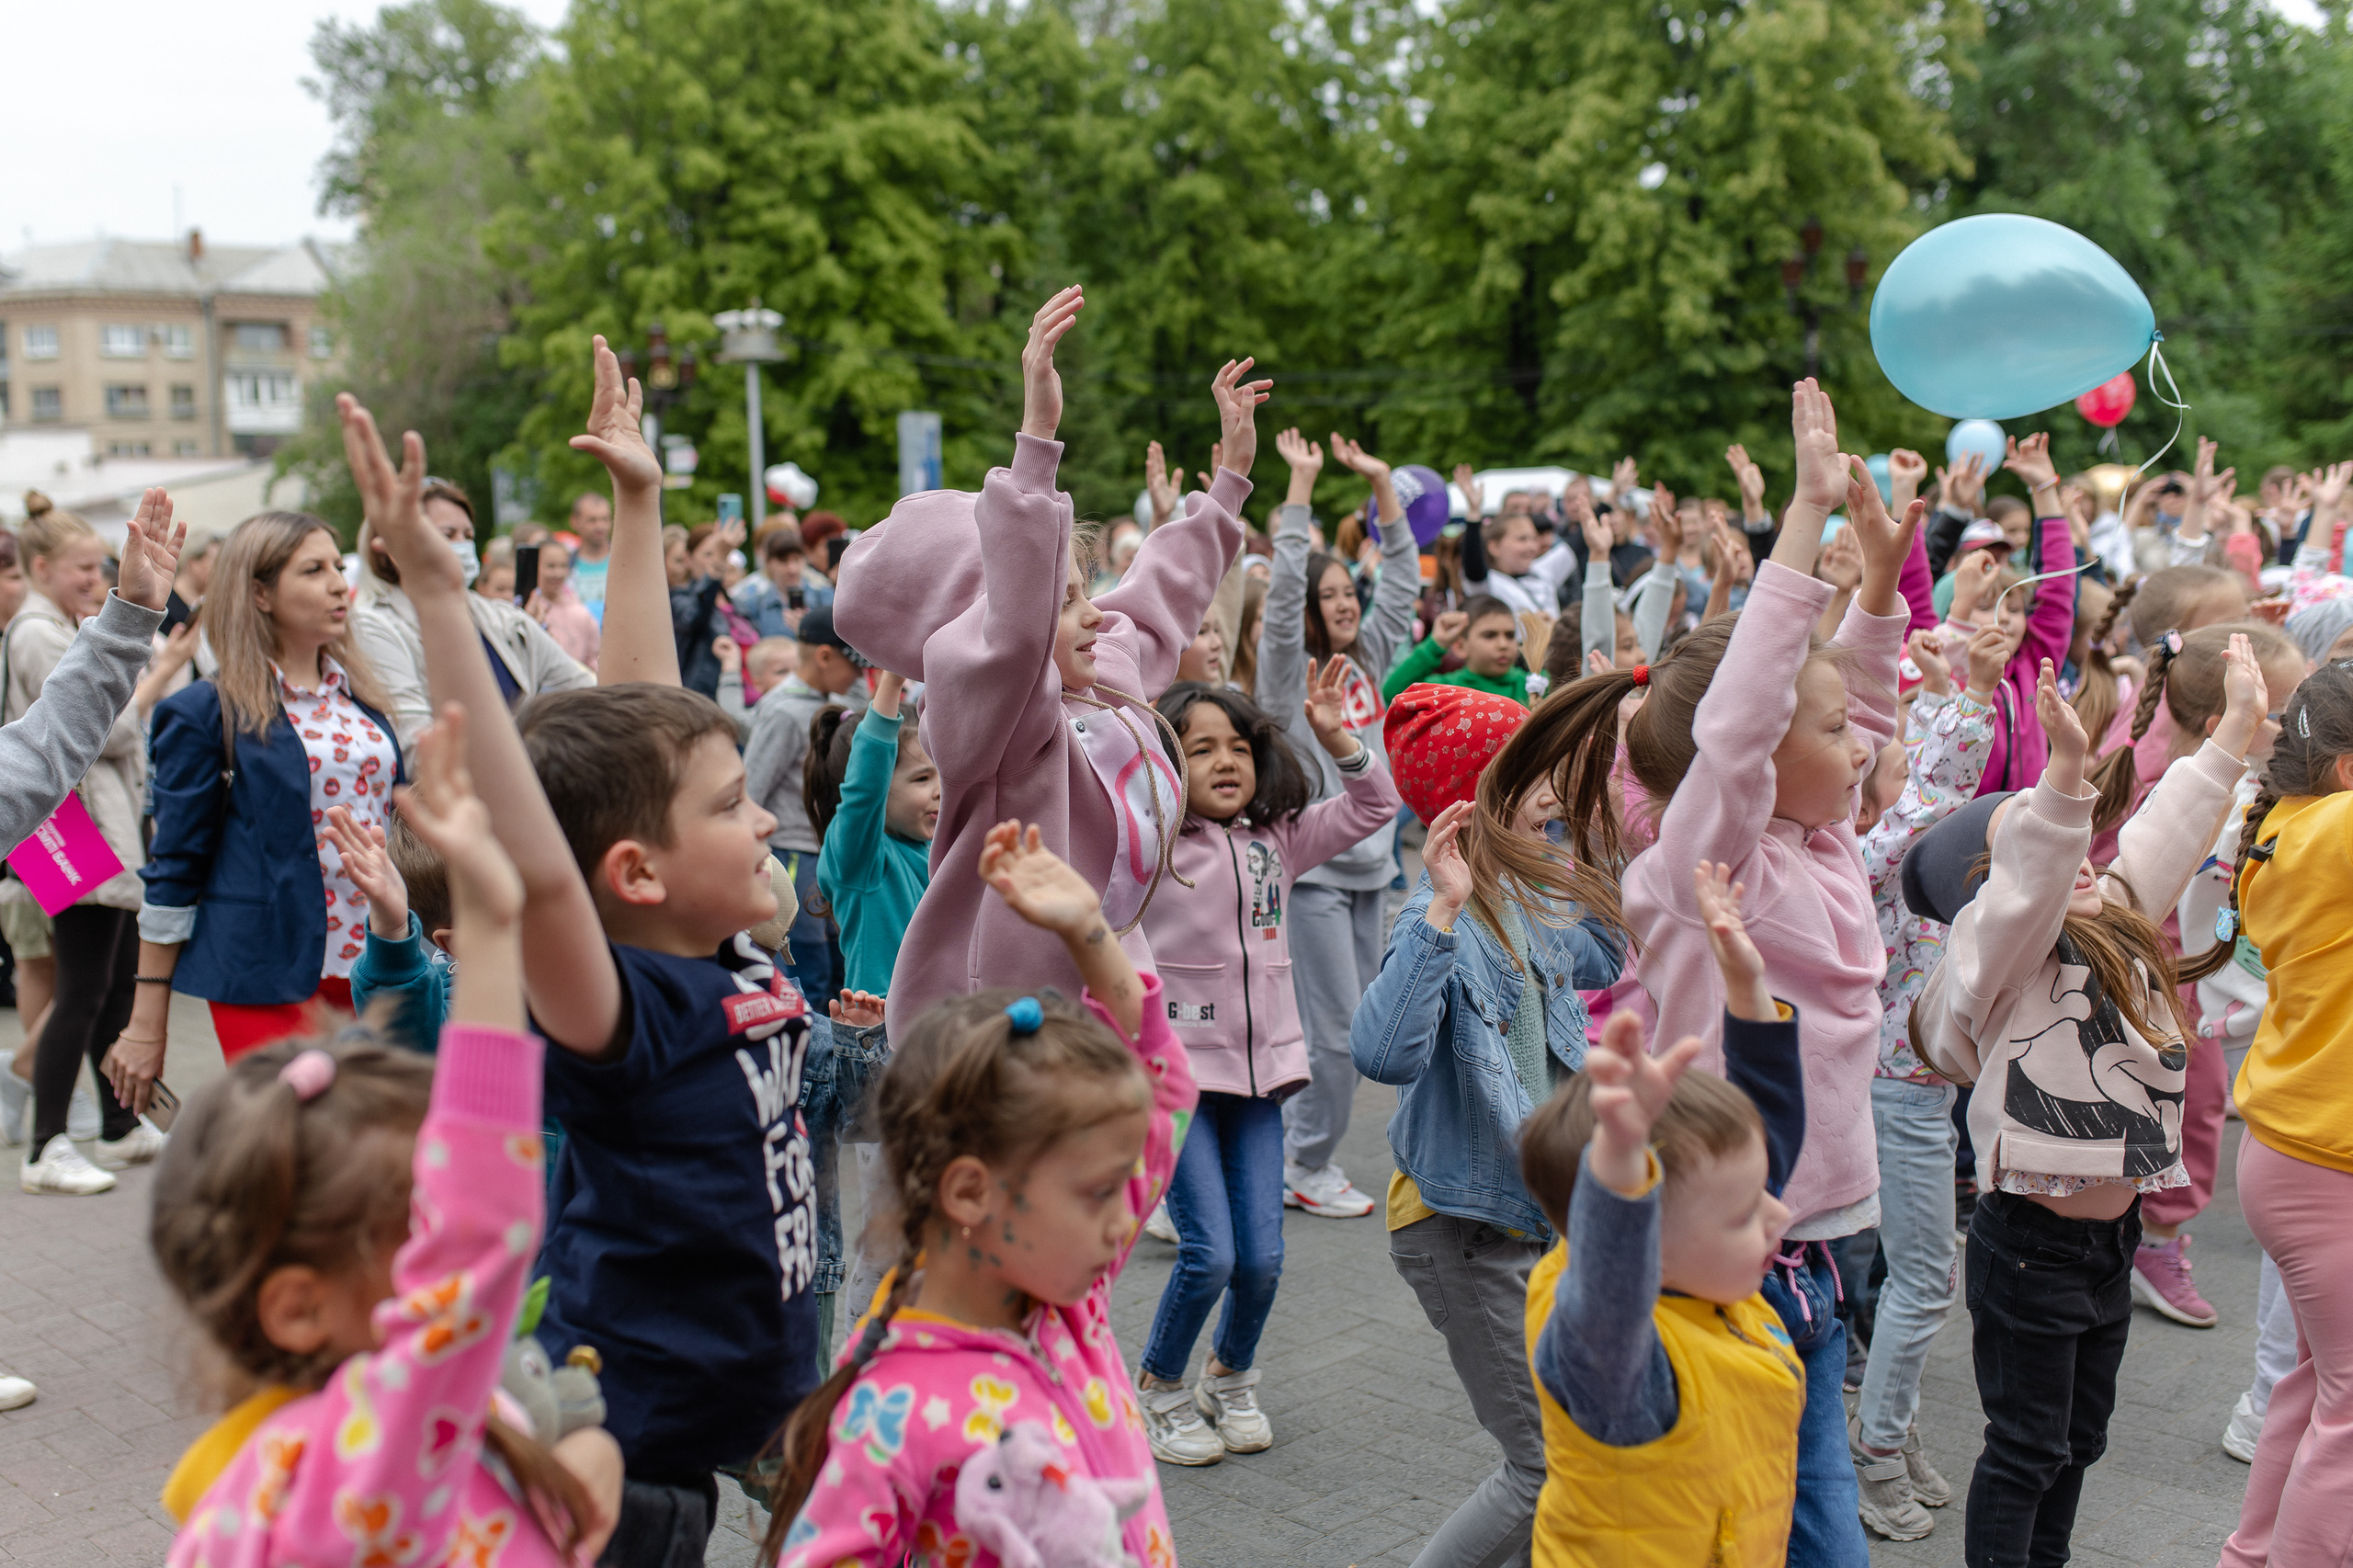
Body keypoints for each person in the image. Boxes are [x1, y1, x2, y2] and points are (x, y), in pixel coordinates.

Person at [336, 349, 847, 1567]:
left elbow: (647, 721)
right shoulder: (624, 1007)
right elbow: (546, 857)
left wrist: (638, 503)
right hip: (630, 1464)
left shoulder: (715, 943)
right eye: (732, 806)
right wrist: (440, 600)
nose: (763, 818)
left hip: (741, 1413)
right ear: (637, 875)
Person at [151, 709, 623, 1568]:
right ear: (299, 1308)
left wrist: (571, 1456)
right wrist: (488, 927)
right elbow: (483, 1221)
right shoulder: (365, 1465)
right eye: (417, 1221)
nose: (445, 1228)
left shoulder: (363, 1442)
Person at [1909, 649, 2263, 1568]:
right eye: (2041, 845)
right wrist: (2061, 775)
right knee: (2026, 1449)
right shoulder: (1999, 962)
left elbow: (2165, 832)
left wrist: (2232, 728)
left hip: (2110, 1242)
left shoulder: (2111, 922)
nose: (2075, 858)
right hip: (2031, 1249)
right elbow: (2022, 895)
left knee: (2079, 1443)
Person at [762, 822, 1189, 1568]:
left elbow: (1165, 1089)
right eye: (1097, 1193)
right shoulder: (890, 1413)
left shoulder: (1064, 1302)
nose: (1125, 1219)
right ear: (970, 1193)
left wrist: (1090, 936)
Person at [833, 287, 1261, 1023]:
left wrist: (1226, 491)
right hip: (1002, 1021)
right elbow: (1014, 643)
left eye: (1082, 591)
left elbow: (1161, 592)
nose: (1093, 614)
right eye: (1062, 601)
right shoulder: (988, 727)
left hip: (1107, 991)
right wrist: (1035, 443)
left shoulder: (1104, 677)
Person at [1352, 683, 1622, 1568]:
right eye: (1532, 775)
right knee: (1544, 1467)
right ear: (1478, 801)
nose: (1553, 791)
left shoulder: (1530, 903)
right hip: (1461, 1229)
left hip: (1532, 1218)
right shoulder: (1439, 916)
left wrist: (1594, 833)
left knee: (1576, 1452)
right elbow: (1382, 1052)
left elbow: (1607, 953)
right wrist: (1439, 910)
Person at [1134, 671, 1401, 1465]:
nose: (1225, 761)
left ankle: (1230, 1375)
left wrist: (1340, 739)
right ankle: (1159, 1385)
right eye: (1199, 749)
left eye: (1238, 747)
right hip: (1177, 1083)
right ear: (1164, 764)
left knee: (1263, 1257)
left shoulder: (1275, 840)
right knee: (1209, 1254)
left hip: (1260, 1084)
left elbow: (1376, 807)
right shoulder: (1146, 846)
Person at [1518, 865, 1806, 1567]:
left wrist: (1746, 989)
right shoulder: (1617, 1364)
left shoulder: (1708, 1273)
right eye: (1745, 1213)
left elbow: (1762, 1136)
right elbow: (1609, 1295)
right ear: (1645, 1243)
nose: (1779, 1215)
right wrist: (1620, 1163)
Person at [115, 512, 405, 1115]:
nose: (338, 584)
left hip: (381, 962)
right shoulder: (204, 712)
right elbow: (174, 867)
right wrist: (147, 1021)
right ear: (259, 593)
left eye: (337, 566)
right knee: (295, 1146)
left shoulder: (366, 701)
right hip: (268, 972)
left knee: (378, 1144)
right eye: (313, 570)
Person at [1847, 625, 2007, 1540]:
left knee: (1916, 1279)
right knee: (1923, 1282)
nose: (1915, 782)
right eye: (1894, 769)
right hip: (1899, 1091)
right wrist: (1974, 694)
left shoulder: (1873, 849)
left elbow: (1932, 786)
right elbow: (1937, 792)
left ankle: (1889, 1428)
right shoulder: (1873, 857)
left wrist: (1953, 688)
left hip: (1917, 1089)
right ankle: (1875, 1456)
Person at [2202, 660, 2353, 1562]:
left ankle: (2251, 1549)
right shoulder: (2336, 830)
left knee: (2316, 1381)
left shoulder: (2294, 827)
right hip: (2326, 1167)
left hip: (2295, 1156)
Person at [1255, 426, 1421, 1219]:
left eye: (1349, 591)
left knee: (1356, 1036)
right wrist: (1300, 488)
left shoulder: (1374, 657)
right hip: (1314, 872)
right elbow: (1284, 593)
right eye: (1331, 596)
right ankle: (1301, 1162)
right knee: (1334, 1036)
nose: (1347, 602)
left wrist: (1383, 486)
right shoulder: (1288, 675)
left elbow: (1402, 582)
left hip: (1372, 870)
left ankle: (1293, 1154)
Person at [3, 500, 167, 1194]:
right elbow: (110, 732)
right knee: (81, 988)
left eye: (100, 567)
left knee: (112, 982)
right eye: (83, 568)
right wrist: (155, 671)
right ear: (41, 567)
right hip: (68, 831)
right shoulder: (37, 633)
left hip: (83, 824)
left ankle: (120, 1123)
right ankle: (46, 1142)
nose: (95, 579)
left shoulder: (57, 626)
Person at [807, 668, 938, 1331]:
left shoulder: (938, 854)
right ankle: (863, 1362)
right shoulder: (862, 861)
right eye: (921, 778)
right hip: (882, 1060)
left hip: (941, 1055)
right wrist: (890, 685)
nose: (939, 790)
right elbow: (862, 788)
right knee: (890, 1240)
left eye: (941, 775)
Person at [353, 478, 592, 747]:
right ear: (397, 549)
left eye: (468, 536)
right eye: (448, 534)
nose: (463, 546)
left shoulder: (507, 620)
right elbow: (417, 746)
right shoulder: (375, 628)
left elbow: (589, 695)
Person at [744, 602, 869, 1006]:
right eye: (853, 664)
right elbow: (752, 788)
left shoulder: (827, 697)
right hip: (794, 857)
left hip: (824, 855)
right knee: (807, 970)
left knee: (836, 969)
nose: (858, 675)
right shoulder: (783, 711)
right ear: (825, 656)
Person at [1381, 595, 1533, 705]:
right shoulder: (1448, 688)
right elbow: (1393, 693)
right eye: (1489, 636)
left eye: (1510, 635)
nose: (1503, 644)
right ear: (1460, 647)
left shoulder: (1532, 686)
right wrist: (1436, 644)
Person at [529, 538, 601, 669]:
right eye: (551, 566)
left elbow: (593, 658)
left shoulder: (580, 611)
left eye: (563, 566)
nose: (558, 573)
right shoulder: (528, 609)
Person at [733, 524, 810, 639]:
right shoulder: (753, 605)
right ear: (768, 563)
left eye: (796, 560)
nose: (792, 569)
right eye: (783, 561)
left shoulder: (824, 596)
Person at [566, 489, 615, 623]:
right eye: (592, 520)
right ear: (574, 522)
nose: (600, 526)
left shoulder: (625, 563)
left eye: (605, 519)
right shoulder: (564, 566)